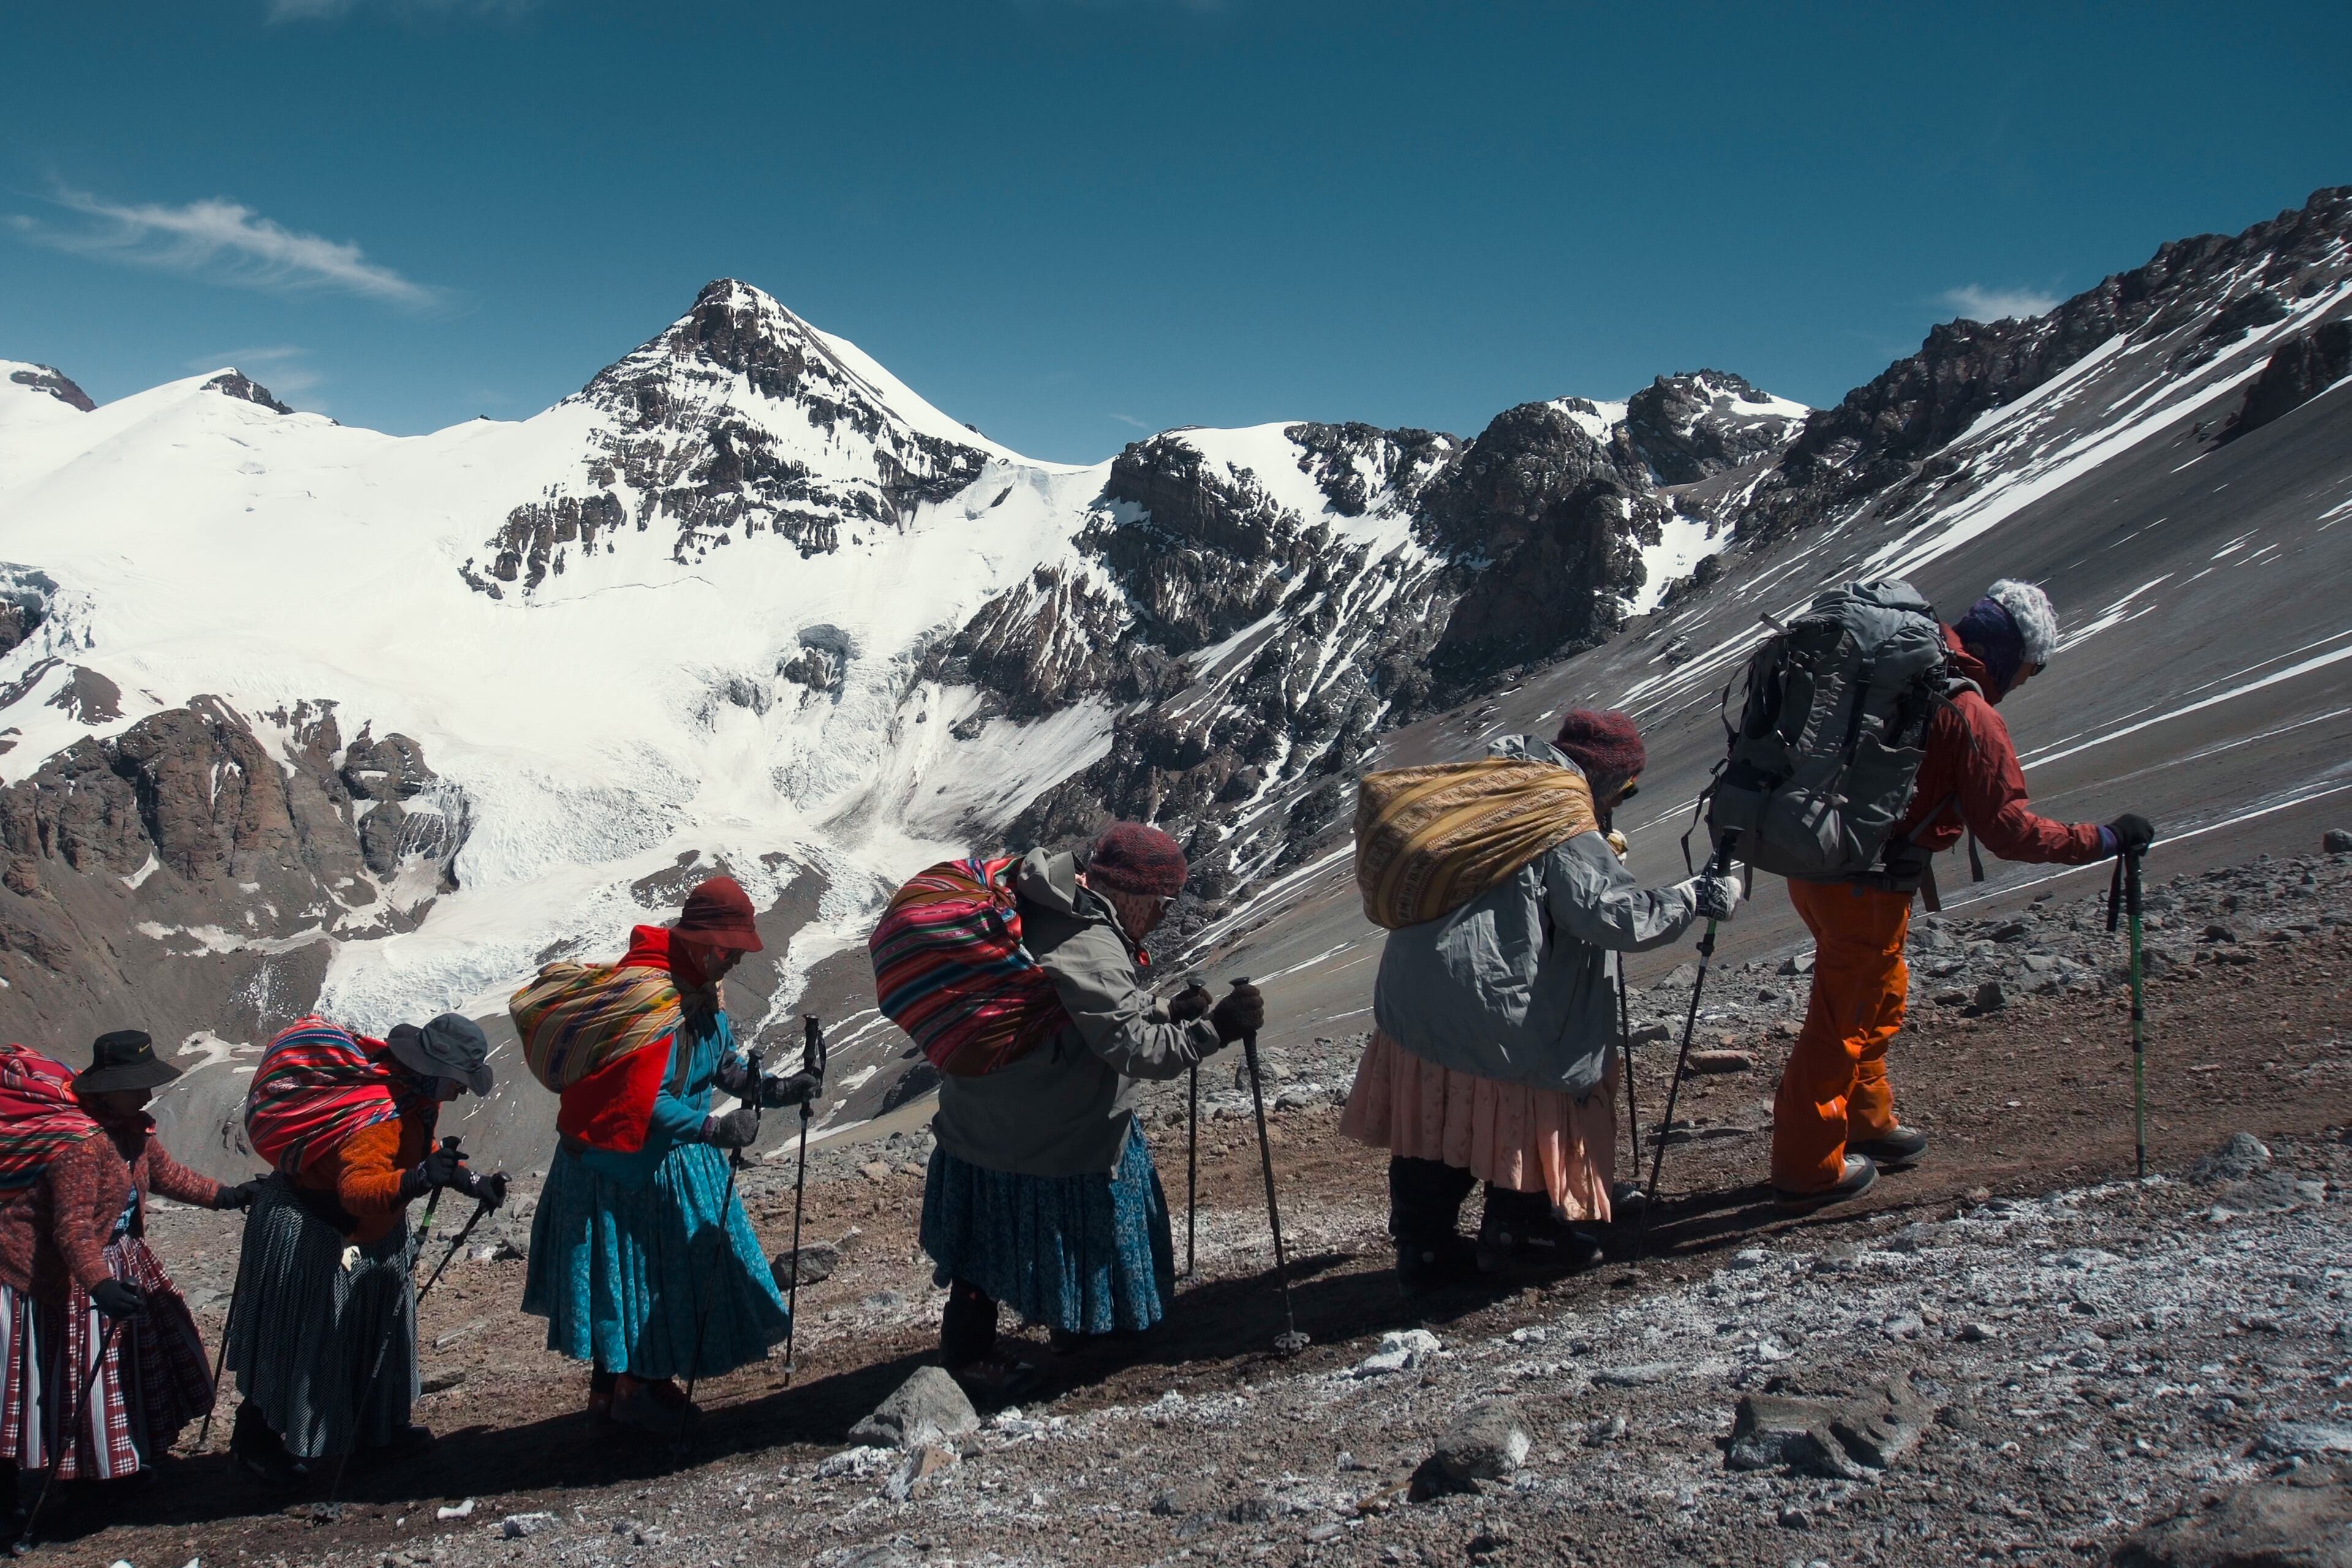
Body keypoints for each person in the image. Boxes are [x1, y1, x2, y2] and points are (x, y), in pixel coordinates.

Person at [1769, 579, 2156, 1207]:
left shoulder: (1906, 671)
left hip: (1819, 865)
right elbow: (2010, 829)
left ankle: (1866, 1120)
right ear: (2009, 653)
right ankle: (1806, 1165)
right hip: (1867, 881)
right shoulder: (1970, 710)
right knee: (1842, 1019)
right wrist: (2105, 838)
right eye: (2027, 670)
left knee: (1878, 994)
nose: (2022, 683)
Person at [1341, 711, 1741, 1294]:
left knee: (1437, 1118)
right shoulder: (1561, 819)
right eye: (1626, 789)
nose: (1620, 802)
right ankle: (1519, 1230)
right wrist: (1694, 898)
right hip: (1495, 1008)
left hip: (1413, 996)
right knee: (1522, 1108)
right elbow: (1613, 916)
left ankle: (1422, 1247)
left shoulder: (1496, 787)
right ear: (1607, 779)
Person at [920, 823, 1258, 1379]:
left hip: (981, 1117)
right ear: (1139, 895)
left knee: (979, 1254)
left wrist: (1166, 1013)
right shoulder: (1092, 941)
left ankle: (973, 1350)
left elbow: (1084, 1016)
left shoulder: (1048, 905)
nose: (1162, 917)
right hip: (1050, 1133)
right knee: (1078, 1226)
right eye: (1163, 904)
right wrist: (1214, 1030)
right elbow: (1133, 1048)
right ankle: (1078, 1331)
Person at [522, 876, 810, 1435]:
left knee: (634, 1280)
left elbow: (723, 1065)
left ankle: (612, 1397)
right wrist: (713, 1127)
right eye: (728, 950)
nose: (733, 962)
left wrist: (776, 1089)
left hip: (655, 1161)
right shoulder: (653, 1002)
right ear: (701, 942)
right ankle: (637, 1389)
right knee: (648, 1279)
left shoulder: (701, 999)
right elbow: (645, 1101)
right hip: (629, 1167)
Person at [225, 1011, 502, 1484]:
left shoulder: (412, 1095)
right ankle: (259, 1443)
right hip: (318, 1227)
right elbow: (357, 1188)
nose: (459, 1091)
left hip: (362, 1231)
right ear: (435, 1072)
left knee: (368, 1334)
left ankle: (373, 1433)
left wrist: (470, 1180)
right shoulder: (380, 1118)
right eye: (458, 1082)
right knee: (303, 1337)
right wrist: (417, 1179)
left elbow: (418, 1150)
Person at [0, 1034, 259, 1533]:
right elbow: (71, 1227)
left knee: (108, 1373)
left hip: (107, 1260)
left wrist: (227, 1195)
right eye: (135, 1086)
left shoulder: (131, 1129)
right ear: (109, 1088)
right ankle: (38, 1493)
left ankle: (103, 1471)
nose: (145, 1094)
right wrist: (98, 1285)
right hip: (49, 1278)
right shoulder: (81, 1145)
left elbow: (165, 1176)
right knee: (51, 1380)